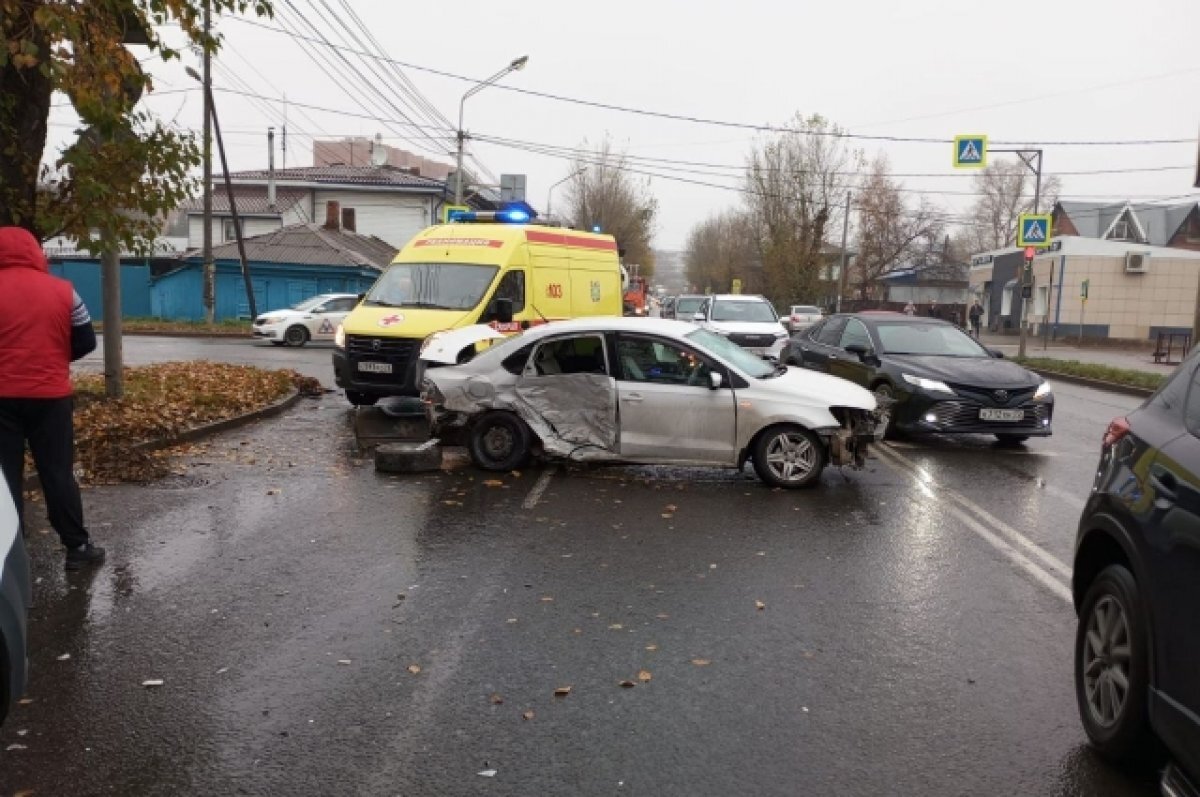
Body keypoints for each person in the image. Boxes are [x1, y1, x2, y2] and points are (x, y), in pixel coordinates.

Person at [0, 226, 105, 570]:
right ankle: (77, 547)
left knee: (5, 477)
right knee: (57, 472)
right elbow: (87, 340)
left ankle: (11, 553)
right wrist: (55, 360)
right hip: (50, 397)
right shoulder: (64, 291)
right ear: (34, 252)